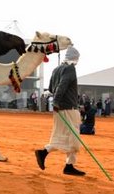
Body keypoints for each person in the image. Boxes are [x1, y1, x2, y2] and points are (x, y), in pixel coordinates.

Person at [34, 46, 86, 176]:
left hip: (60, 109)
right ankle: (64, 163)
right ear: (75, 58)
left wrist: (55, 102)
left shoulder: (56, 69)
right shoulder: (70, 69)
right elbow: (62, 85)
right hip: (68, 107)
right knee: (73, 137)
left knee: (64, 136)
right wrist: (56, 101)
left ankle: (63, 162)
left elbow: (51, 88)